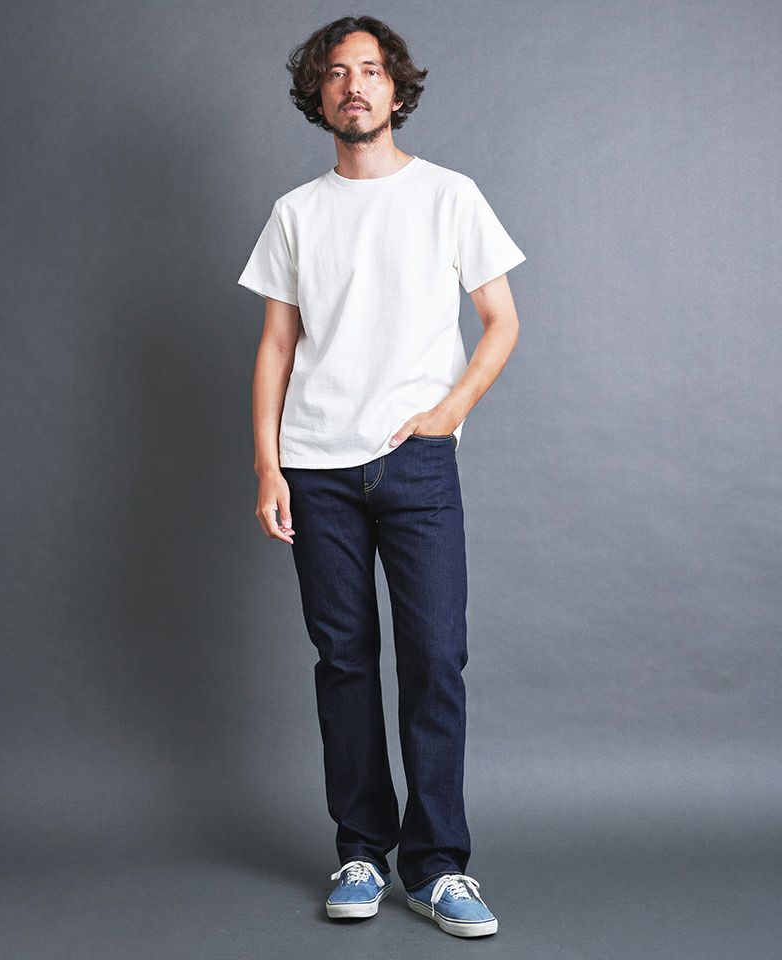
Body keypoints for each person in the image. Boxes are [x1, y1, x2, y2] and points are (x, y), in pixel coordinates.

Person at [237, 15, 526, 940]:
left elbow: (502, 321)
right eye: (336, 72)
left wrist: (450, 410)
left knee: (436, 658)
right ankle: (362, 849)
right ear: (318, 94)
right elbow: (276, 345)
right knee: (345, 661)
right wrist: (268, 465)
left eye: (369, 70)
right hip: (314, 467)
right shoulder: (296, 212)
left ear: (396, 89)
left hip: (417, 463)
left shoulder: (449, 195)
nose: (353, 85)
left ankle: (437, 867)